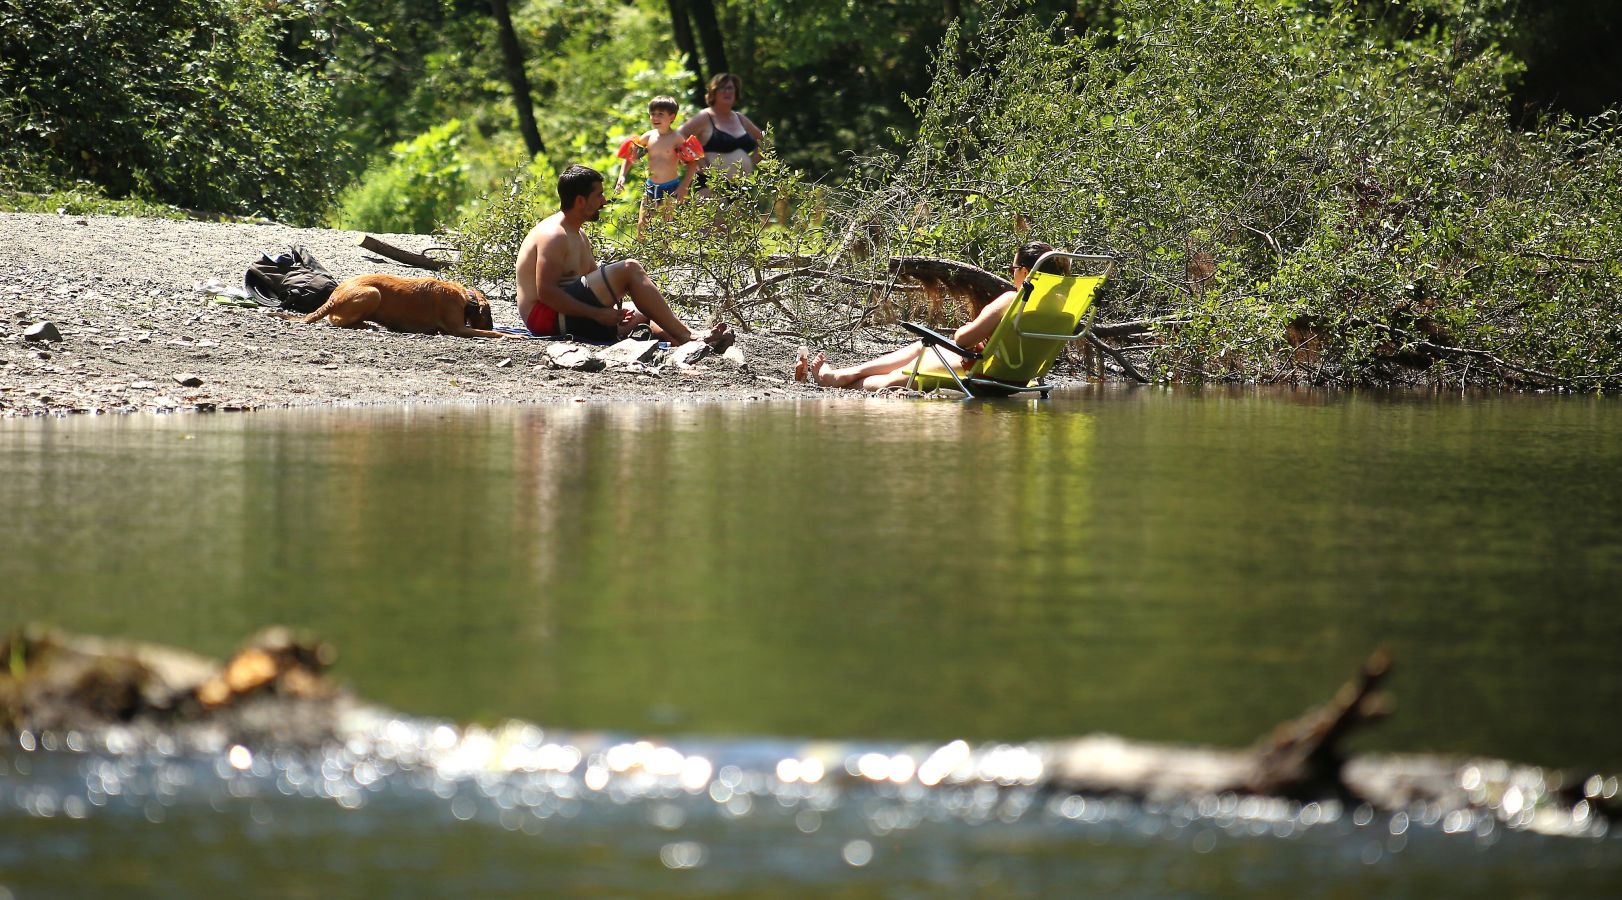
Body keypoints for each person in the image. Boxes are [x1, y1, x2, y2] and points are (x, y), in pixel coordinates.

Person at [796, 241, 1067, 390]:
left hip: (988, 376)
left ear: (1026, 272)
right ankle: (843, 374)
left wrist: (970, 331)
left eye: (1013, 268)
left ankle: (837, 378)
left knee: (904, 373)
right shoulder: (1065, 310)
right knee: (918, 358)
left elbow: (963, 339)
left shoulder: (1012, 300)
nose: (1011, 273)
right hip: (1021, 378)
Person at [515, 164, 733, 349]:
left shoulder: (578, 232)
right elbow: (546, 292)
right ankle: (689, 335)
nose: (604, 200)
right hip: (546, 318)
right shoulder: (553, 235)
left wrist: (612, 306)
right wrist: (597, 314)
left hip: (569, 314)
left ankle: (690, 344)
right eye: (599, 194)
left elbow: (591, 278)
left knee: (645, 310)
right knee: (629, 268)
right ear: (581, 201)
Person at [613, 96, 702, 236]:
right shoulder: (648, 137)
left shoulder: (676, 138)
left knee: (666, 228)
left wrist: (684, 186)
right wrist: (622, 176)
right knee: (642, 227)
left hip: (670, 188)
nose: (655, 117)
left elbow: (692, 163)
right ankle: (642, 254)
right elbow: (630, 156)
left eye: (660, 114)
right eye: (653, 114)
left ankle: (665, 255)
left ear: (672, 117)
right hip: (650, 187)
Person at [677, 73, 765, 197]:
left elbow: (765, 143)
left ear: (736, 92)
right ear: (713, 92)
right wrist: (697, 160)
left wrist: (751, 163)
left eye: (730, 88)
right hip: (710, 187)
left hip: (739, 189)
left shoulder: (740, 118)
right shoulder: (705, 117)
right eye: (722, 88)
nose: (727, 92)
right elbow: (679, 135)